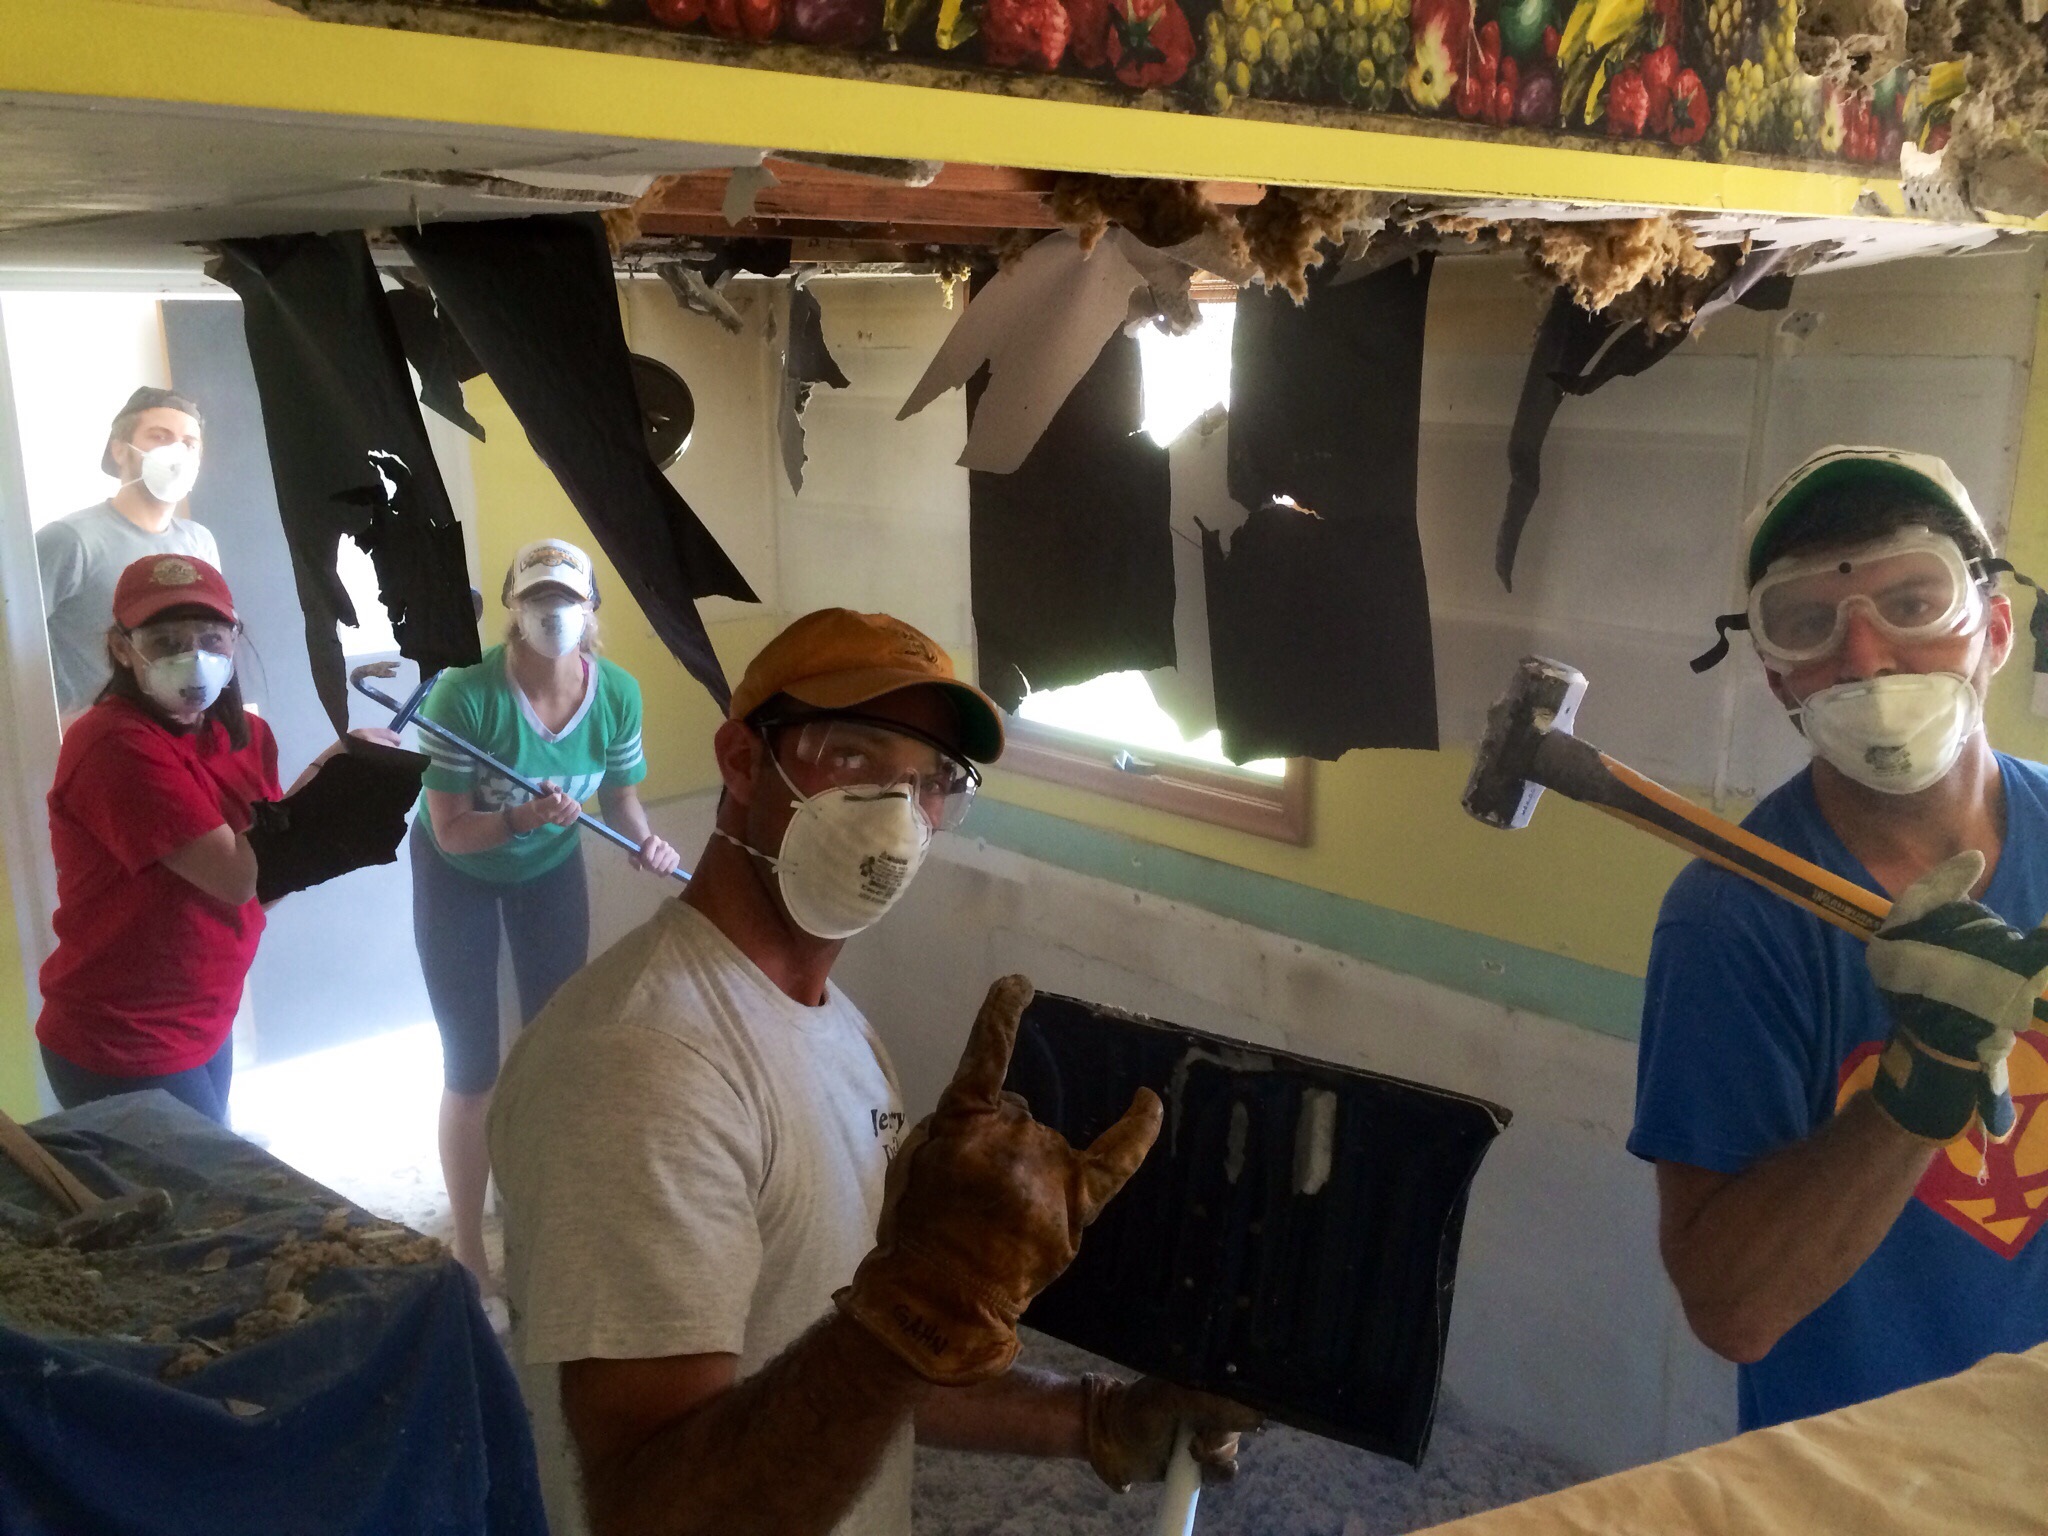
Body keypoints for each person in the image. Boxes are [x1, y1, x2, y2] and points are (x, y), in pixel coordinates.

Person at [487, 608, 1258, 1536]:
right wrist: (918, 1301)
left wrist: (1093, 1419)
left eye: (932, 782)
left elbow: (842, 1369)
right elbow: (649, 1517)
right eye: (852, 755)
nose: (898, 814)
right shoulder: (642, 1068)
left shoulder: (841, 1033)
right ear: (742, 761)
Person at [1634, 445, 2048, 1432]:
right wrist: (1912, 1093)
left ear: (1993, 630)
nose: (1865, 657)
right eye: (1807, 622)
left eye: (1911, 603)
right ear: (1777, 679)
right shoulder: (1727, 923)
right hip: (1847, 1460)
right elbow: (1732, 1311)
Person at [36, 554, 391, 1125]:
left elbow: (263, 879)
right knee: (203, 1181)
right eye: (165, 642)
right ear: (122, 648)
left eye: (210, 638)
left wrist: (338, 766)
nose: (192, 658)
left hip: (203, 1017)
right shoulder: (113, 744)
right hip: (122, 1038)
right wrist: (334, 780)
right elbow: (238, 877)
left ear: (234, 638)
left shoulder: (246, 735)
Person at [411, 537, 681, 1288]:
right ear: (513, 607)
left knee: (554, 1054)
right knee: (471, 1066)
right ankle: (469, 1249)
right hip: (457, 872)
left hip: (549, 870)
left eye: (566, 598)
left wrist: (646, 842)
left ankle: (544, 1219)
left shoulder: (617, 693)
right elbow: (451, 831)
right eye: (537, 599)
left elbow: (620, 798)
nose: (552, 612)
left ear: (591, 608)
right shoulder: (463, 696)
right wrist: (521, 818)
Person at [37, 387, 218, 720]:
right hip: (95, 732)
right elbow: (11, 644)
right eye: (160, 437)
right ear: (120, 450)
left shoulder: (199, 542)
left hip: (179, 730)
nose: (177, 452)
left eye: (190, 444)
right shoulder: (72, 540)